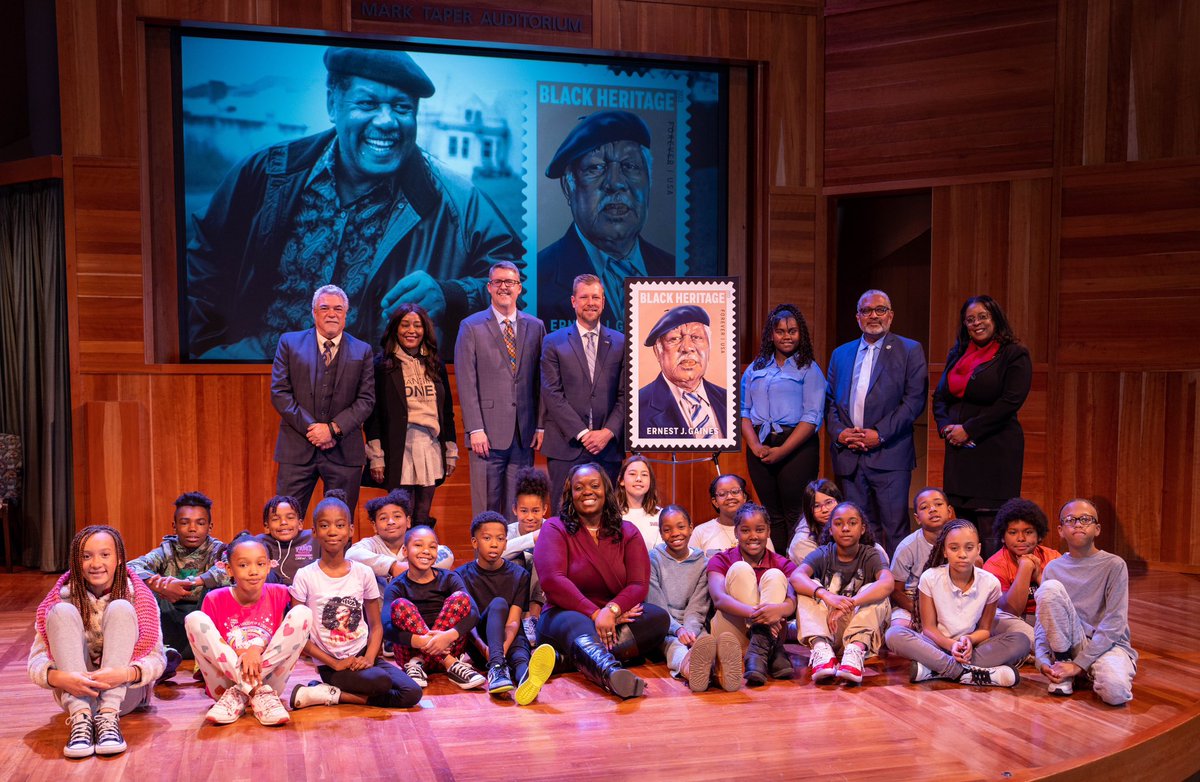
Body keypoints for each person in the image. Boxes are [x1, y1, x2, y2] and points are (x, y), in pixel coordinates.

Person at [186, 46, 523, 361]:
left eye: (402, 108)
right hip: (259, 378)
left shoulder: (456, 200)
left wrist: (450, 295)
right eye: (367, 104)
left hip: (374, 392)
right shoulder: (265, 174)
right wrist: (208, 356)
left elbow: (515, 279)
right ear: (333, 103)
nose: (387, 121)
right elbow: (200, 269)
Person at [532, 463, 670, 699]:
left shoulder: (628, 532)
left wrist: (612, 609)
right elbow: (553, 581)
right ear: (570, 494)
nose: (587, 491)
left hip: (612, 617)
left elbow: (638, 584)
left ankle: (564, 660)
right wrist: (597, 614)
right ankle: (610, 673)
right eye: (579, 487)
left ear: (606, 490)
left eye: (594, 486)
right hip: (564, 615)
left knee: (657, 618)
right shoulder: (555, 528)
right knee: (579, 625)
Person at [29, 525, 167, 758]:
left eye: (105, 554)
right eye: (86, 556)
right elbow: (36, 661)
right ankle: (81, 721)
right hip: (74, 693)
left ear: (120, 559)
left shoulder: (139, 597)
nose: (95, 563)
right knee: (61, 611)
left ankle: (108, 718)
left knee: (120, 607)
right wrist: (59, 677)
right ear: (75, 561)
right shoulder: (57, 597)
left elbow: (157, 659)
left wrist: (125, 674)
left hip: (123, 693)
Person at [537, 110, 674, 331]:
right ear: (568, 186)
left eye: (630, 166)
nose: (615, 182)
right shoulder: (539, 278)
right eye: (596, 167)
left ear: (648, 182)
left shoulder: (673, 270)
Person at [288, 493, 422, 710]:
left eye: (340, 525)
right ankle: (330, 687)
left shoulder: (363, 572)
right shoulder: (305, 575)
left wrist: (369, 657)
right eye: (324, 525)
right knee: (381, 682)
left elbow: (376, 626)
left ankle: (331, 695)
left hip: (362, 656)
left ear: (350, 530)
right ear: (314, 532)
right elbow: (298, 636)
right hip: (332, 665)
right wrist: (335, 663)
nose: (332, 531)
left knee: (412, 692)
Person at [825, 289, 928, 556]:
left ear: (890, 316)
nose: (873, 315)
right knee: (856, 527)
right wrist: (840, 434)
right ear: (857, 317)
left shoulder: (909, 350)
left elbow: (914, 401)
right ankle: (863, 585)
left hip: (890, 454)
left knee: (894, 527)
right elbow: (829, 401)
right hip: (850, 455)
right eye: (867, 311)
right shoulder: (840, 354)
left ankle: (896, 588)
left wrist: (879, 434)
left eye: (880, 310)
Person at [932, 295, 1032, 559]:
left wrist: (970, 429)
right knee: (962, 525)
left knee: (990, 526)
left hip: (995, 451)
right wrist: (945, 428)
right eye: (970, 319)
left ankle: (994, 592)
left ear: (995, 318)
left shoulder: (1014, 354)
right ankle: (964, 590)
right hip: (959, 452)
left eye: (982, 317)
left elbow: (1010, 402)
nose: (976, 323)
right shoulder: (958, 353)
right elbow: (940, 396)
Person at [271, 284, 375, 517]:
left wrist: (333, 430)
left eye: (338, 309)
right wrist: (314, 430)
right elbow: (280, 392)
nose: (332, 314)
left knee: (339, 524)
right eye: (325, 308)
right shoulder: (289, 343)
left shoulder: (363, 350)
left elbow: (366, 400)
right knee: (286, 521)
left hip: (344, 451)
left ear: (346, 314)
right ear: (314, 312)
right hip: (297, 449)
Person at [885, 519, 1028, 688]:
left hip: (971, 649)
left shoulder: (990, 583)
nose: (962, 554)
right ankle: (965, 673)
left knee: (1021, 641)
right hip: (936, 645)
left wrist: (968, 640)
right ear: (945, 551)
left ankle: (935, 669)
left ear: (978, 549)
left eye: (969, 548)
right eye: (954, 548)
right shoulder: (930, 578)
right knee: (894, 634)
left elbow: (984, 630)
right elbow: (929, 628)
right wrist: (951, 644)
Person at [184, 538, 312, 726]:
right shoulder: (214, 599)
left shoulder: (280, 593)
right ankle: (255, 691)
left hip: (270, 682)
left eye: (260, 564)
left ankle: (244, 692)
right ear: (229, 569)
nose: (253, 571)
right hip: (225, 683)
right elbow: (213, 648)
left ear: (269, 566)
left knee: (303, 613)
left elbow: (289, 636)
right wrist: (245, 653)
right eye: (243, 565)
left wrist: (256, 650)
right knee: (194, 618)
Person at [455, 261, 546, 520]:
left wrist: (540, 425)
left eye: (510, 282)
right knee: (487, 509)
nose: (504, 287)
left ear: (519, 288)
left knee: (520, 508)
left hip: (524, 434)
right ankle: (485, 561)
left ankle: (515, 561)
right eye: (498, 282)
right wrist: (475, 429)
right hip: (486, 436)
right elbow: (466, 381)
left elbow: (542, 381)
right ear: (489, 288)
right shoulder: (471, 326)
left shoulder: (536, 326)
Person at [741, 304, 827, 553]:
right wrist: (755, 445)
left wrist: (782, 451)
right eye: (780, 331)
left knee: (795, 514)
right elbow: (744, 411)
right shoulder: (756, 368)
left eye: (792, 331)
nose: (786, 336)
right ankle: (778, 567)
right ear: (771, 335)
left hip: (797, 446)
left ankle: (797, 570)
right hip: (760, 445)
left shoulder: (809, 369)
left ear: (801, 334)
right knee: (771, 513)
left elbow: (812, 418)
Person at [1035, 499, 1136, 706]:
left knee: (1115, 693)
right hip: (1069, 643)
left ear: (1097, 529)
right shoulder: (1053, 568)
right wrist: (1042, 658)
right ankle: (1065, 663)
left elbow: (1115, 623)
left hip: (1107, 644)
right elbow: (1041, 620)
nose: (1078, 524)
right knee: (1049, 589)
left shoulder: (1114, 565)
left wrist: (1080, 664)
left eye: (1086, 519)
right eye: (1070, 520)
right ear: (1061, 530)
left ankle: (1082, 671)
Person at [540, 275, 628, 512]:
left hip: (607, 448)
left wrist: (607, 433)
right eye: (584, 297)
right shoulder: (553, 342)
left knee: (607, 517)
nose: (591, 302)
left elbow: (626, 396)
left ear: (604, 301)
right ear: (573, 301)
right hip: (566, 447)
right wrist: (582, 434)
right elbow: (552, 394)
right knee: (564, 517)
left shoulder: (621, 343)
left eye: (596, 297)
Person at [365, 303, 459, 525]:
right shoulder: (382, 365)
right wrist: (376, 456)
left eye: (417, 325)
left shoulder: (435, 363)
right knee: (399, 515)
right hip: (399, 449)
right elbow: (373, 414)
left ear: (425, 329)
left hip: (430, 446)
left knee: (422, 515)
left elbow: (446, 412)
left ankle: (420, 558)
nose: (411, 330)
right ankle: (400, 559)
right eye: (405, 324)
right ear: (395, 328)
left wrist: (450, 451)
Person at [457, 511, 556, 704]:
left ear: (506, 542)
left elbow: (513, 621)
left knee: (519, 658)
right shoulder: (461, 575)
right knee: (499, 604)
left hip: (509, 637)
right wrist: (488, 650)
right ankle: (497, 668)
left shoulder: (519, 574)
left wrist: (500, 650)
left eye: (500, 539)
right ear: (474, 542)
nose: (494, 543)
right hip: (480, 642)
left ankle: (526, 681)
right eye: (487, 538)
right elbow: (469, 624)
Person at [792, 502, 893, 685]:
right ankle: (822, 652)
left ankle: (854, 653)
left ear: (862, 529)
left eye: (852, 523)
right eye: (838, 523)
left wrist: (852, 602)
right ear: (830, 529)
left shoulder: (870, 554)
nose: (845, 528)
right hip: (830, 627)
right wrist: (826, 595)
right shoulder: (823, 553)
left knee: (875, 591)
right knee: (809, 587)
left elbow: (887, 583)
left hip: (862, 630)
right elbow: (796, 577)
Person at [128, 490, 227, 677]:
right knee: (141, 587)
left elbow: (229, 569)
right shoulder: (166, 550)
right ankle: (162, 656)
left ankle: (206, 661)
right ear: (174, 526)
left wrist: (194, 581)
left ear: (210, 527)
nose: (192, 528)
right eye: (185, 522)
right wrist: (158, 584)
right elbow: (131, 567)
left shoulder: (219, 550)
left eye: (200, 523)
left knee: (220, 589)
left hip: (205, 624)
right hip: (171, 620)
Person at [706, 503, 801, 686]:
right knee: (740, 569)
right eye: (745, 530)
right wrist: (760, 615)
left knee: (775, 575)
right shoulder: (721, 559)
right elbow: (719, 599)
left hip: (770, 636)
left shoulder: (782, 563)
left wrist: (780, 609)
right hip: (732, 634)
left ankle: (760, 649)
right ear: (736, 533)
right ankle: (771, 649)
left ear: (768, 531)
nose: (753, 536)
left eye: (759, 530)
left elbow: (792, 602)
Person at [382, 525, 486, 690]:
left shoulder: (450, 578)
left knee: (461, 598)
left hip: (450, 646)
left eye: (432, 546)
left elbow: (474, 613)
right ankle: (448, 663)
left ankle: (449, 661)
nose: (426, 551)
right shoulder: (396, 586)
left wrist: (448, 636)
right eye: (418, 545)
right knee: (400, 605)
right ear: (404, 550)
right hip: (412, 657)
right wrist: (420, 640)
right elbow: (386, 627)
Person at [648, 505, 740, 692]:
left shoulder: (704, 562)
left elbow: (698, 606)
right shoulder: (653, 559)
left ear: (691, 528)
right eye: (667, 530)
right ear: (661, 533)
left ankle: (720, 672)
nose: (675, 533)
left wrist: (689, 631)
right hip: (664, 626)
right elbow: (655, 603)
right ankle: (691, 669)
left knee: (705, 642)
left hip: (694, 625)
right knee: (674, 646)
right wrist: (677, 629)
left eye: (681, 527)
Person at [637, 305, 727, 441]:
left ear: (709, 347)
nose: (687, 347)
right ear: (658, 350)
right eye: (674, 339)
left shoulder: (727, 399)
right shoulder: (638, 407)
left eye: (696, 337)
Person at [983, 497, 1060, 647]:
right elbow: (1011, 611)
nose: (1021, 538)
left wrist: (1038, 576)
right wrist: (1025, 567)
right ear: (1003, 537)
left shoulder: (1053, 558)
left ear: (1039, 535)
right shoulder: (994, 565)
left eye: (1028, 532)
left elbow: (1060, 603)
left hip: (1047, 619)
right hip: (1017, 622)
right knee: (996, 617)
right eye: (1013, 532)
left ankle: (1038, 649)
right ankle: (1048, 649)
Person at [348, 489, 455, 595]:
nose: (391, 522)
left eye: (397, 516)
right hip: (383, 609)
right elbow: (351, 554)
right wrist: (393, 566)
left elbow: (447, 554)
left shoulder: (418, 540)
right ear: (374, 526)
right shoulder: (371, 544)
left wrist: (412, 568)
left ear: (408, 521)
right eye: (383, 518)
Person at [889, 487, 954, 631]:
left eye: (938, 504)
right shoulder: (908, 546)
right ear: (917, 518)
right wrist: (918, 609)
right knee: (898, 630)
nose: (932, 509)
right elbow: (895, 589)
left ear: (949, 512)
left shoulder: (958, 540)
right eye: (924, 507)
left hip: (949, 603)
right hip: (913, 603)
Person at [504, 467, 551, 642]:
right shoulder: (508, 531)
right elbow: (498, 553)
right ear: (515, 509)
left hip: (543, 594)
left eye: (536, 511)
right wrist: (532, 538)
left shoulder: (551, 527)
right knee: (515, 560)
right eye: (524, 511)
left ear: (544, 509)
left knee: (541, 554)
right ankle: (519, 618)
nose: (530, 517)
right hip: (515, 594)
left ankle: (533, 618)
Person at [690, 474, 775, 558]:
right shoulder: (700, 532)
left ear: (744, 497)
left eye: (735, 491)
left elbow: (772, 562)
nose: (730, 497)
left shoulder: (758, 529)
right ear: (715, 502)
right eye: (722, 494)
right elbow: (692, 568)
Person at [617, 454, 662, 552]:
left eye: (644, 475)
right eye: (632, 474)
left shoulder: (661, 515)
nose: (638, 479)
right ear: (621, 480)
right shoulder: (612, 514)